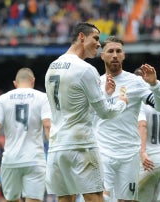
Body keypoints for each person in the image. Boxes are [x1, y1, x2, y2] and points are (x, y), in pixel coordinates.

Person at [44, 22, 128, 202]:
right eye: (96, 38)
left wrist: (103, 93)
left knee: (65, 199)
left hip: (57, 147)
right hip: (81, 146)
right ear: (82, 37)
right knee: (95, 198)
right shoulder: (86, 69)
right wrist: (121, 103)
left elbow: (75, 104)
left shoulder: (52, 67)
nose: (99, 44)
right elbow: (105, 112)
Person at [94, 35, 160, 202]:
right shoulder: (95, 83)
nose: (114, 55)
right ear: (103, 55)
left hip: (129, 154)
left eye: (118, 51)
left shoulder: (136, 82)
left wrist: (155, 84)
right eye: (110, 51)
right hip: (102, 151)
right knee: (100, 198)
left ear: (124, 55)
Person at [0, 67, 51, 202]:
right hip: (35, 159)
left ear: (15, 83)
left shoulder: (2, 99)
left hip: (11, 160)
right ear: (33, 81)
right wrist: (53, 154)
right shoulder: (43, 97)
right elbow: (47, 126)